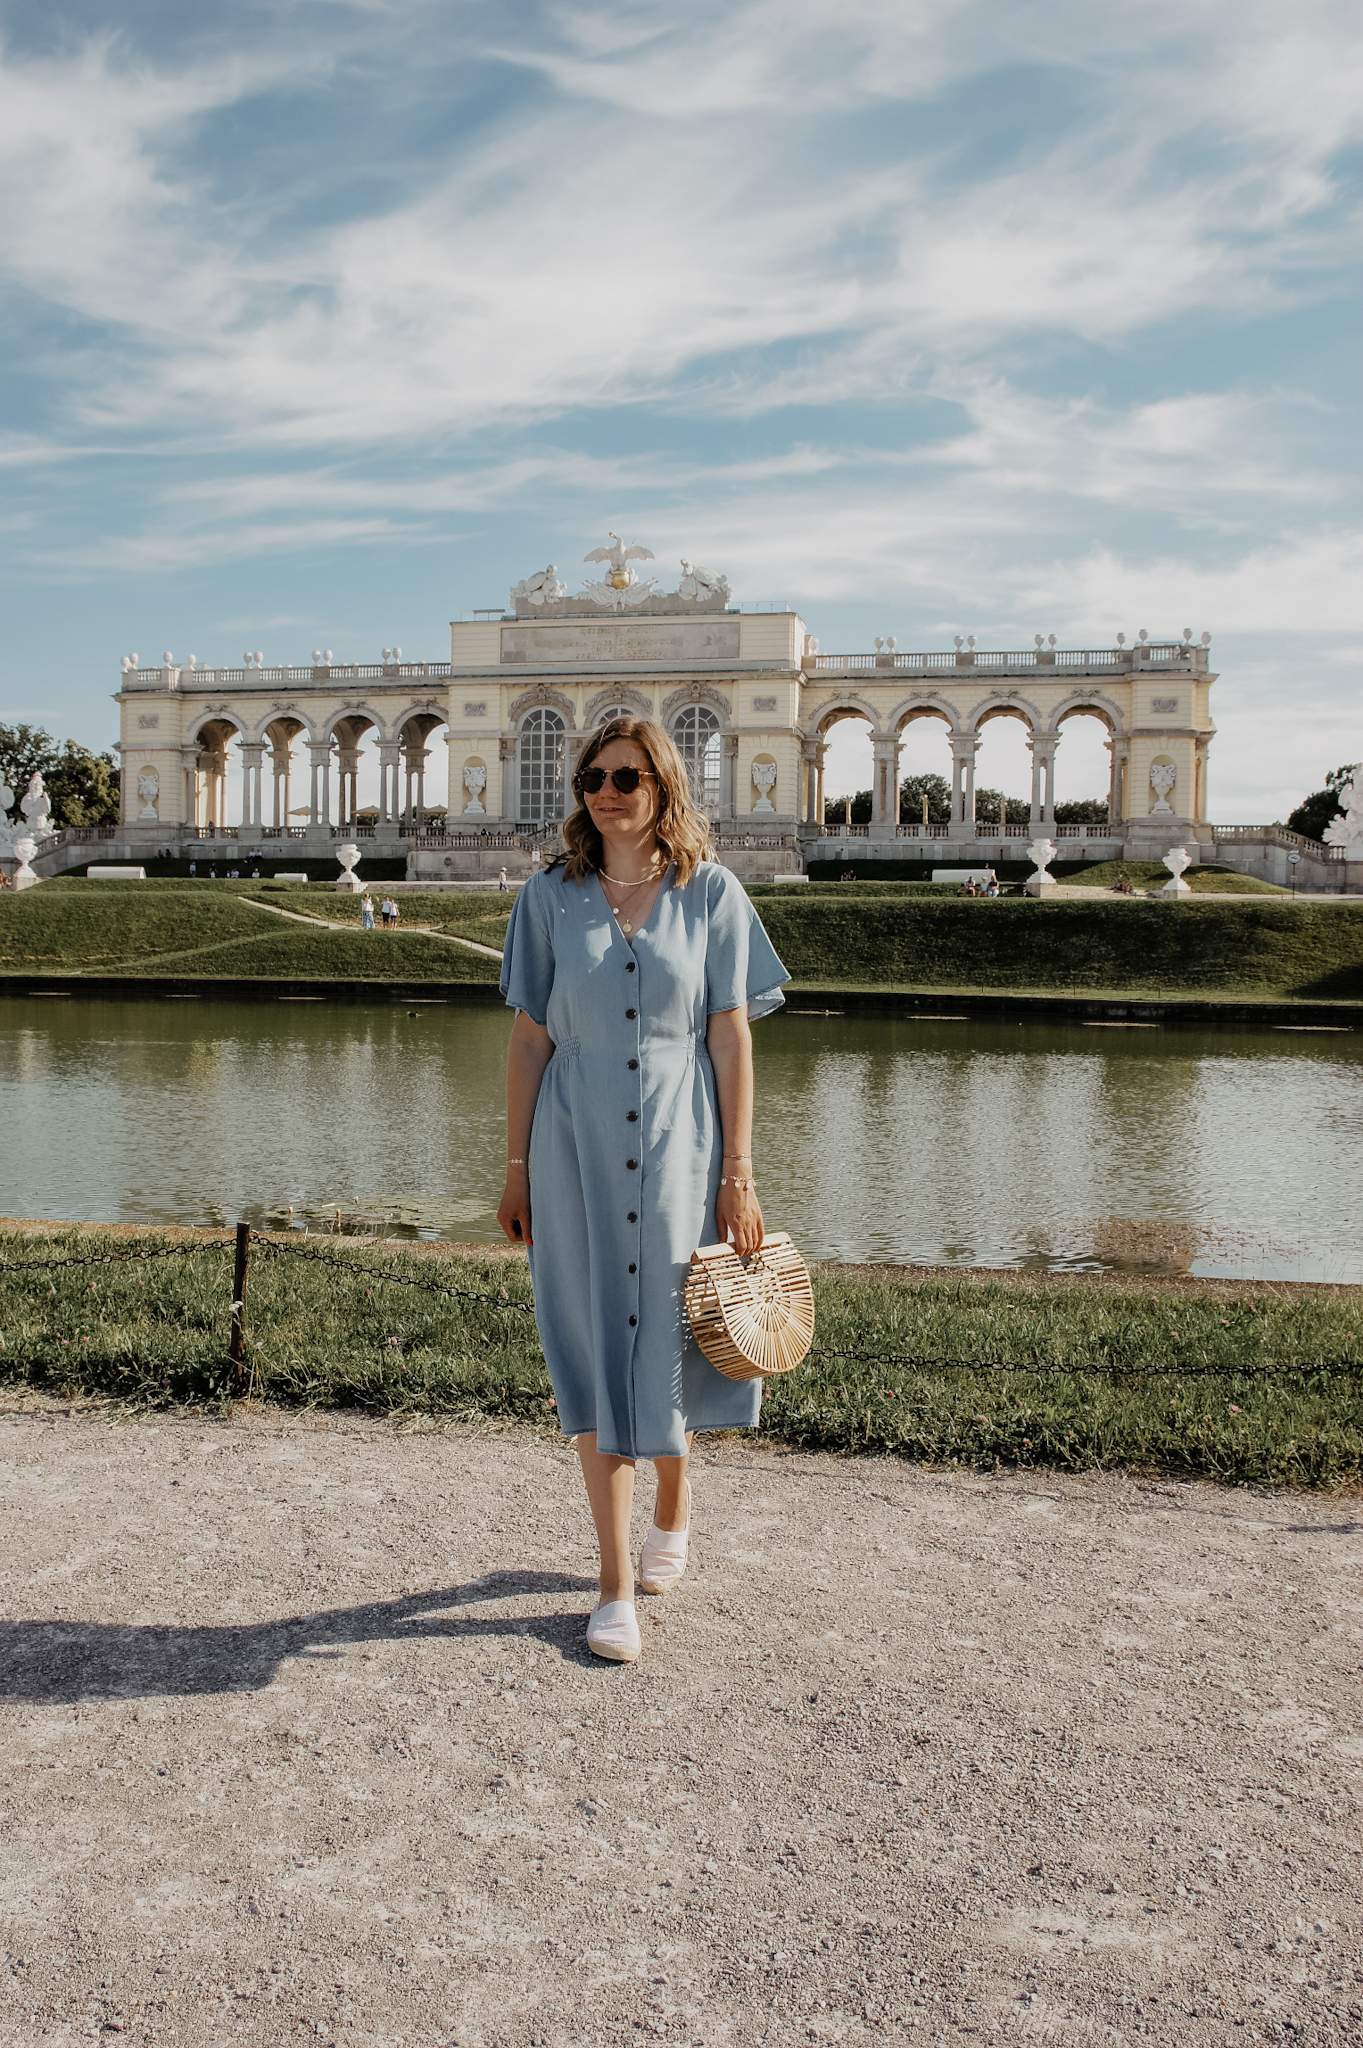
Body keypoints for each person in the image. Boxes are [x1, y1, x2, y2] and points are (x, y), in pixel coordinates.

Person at [497, 716, 788, 1665]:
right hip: (570, 1148)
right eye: (592, 777)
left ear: (663, 784)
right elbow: (530, 1039)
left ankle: (675, 1501)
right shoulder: (547, 898)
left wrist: (739, 1174)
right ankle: (612, 1581)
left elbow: (730, 1037)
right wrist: (511, 1170)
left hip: (682, 1144)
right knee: (590, 1347)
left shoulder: (711, 893)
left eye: (626, 775)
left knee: (664, 1332)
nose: (606, 790)